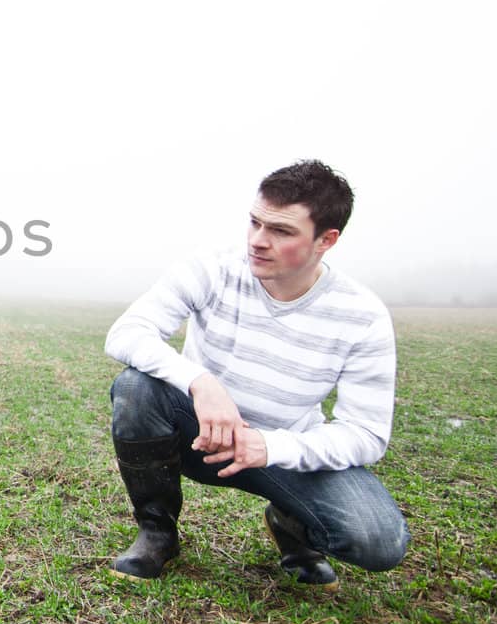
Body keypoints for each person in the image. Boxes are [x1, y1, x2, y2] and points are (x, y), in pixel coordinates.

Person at [102, 160, 409, 588]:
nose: (258, 241)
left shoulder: (362, 315)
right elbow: (127, 332)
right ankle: (158, 533)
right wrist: (200, 382)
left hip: (286, 454)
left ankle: (293, 528)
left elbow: (366, 434)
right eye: (255, 223)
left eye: (281, 231)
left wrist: (271, 446)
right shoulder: (214, 268)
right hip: (200, 436)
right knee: (136, 387)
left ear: (326, 240)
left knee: (379, 540)